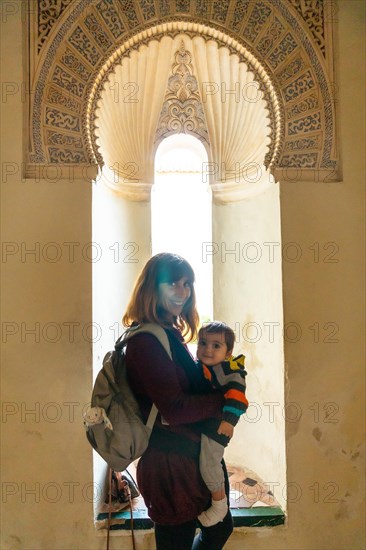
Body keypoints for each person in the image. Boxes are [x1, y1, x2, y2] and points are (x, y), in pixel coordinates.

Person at [122, 252, 234, 550]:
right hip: (170, 463)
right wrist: (222, 402)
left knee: (220, 529)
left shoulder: (168, 333)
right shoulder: (145, 342)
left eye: (187, 284)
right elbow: (175, 408)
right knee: (177, 543)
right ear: (152, 288)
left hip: (191, 455)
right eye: (173, 283)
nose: (182, 292)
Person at [195, 322, 248, 527]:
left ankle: (219, 505)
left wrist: (229, 421)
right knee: (208, 462)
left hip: (217, 426)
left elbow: (238, 397)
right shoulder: (207, 367)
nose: (208, 349)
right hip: (208, 425)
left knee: (208, 465)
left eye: (216, 345)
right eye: (203, 343)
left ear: (228, 353)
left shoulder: (229, 370)